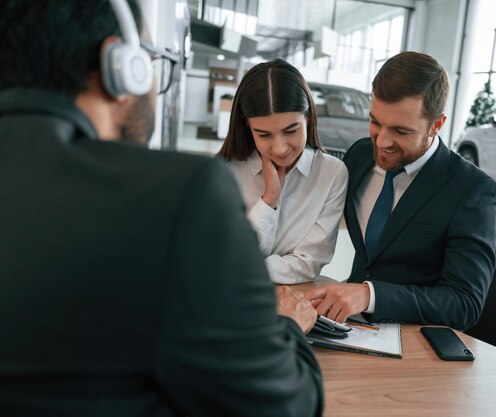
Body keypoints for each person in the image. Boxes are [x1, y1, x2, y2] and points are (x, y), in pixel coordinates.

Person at [0, 1, 322, 416]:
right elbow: (283, 405)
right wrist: (288, 326)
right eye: (153, 60)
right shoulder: (183, 193)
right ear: (123, 64)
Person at [305, 52, 496, 330]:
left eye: (400, 131)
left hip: (416, 338)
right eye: (375, 122)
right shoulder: (360, 155)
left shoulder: (472, 190)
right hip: (353, 327)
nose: (382, 141)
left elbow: (464, 304)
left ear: (436, 125)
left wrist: (368, 295)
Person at [217, 59, 348, 284]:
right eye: (264, 135)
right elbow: (220, 258)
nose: (280, 148)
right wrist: (269, 200)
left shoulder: (332, 173)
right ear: (247, 127)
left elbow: (309, 263)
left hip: (295, 299)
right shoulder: (225, 172)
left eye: (291, 130)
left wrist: (243, 266)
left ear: (307, 118)